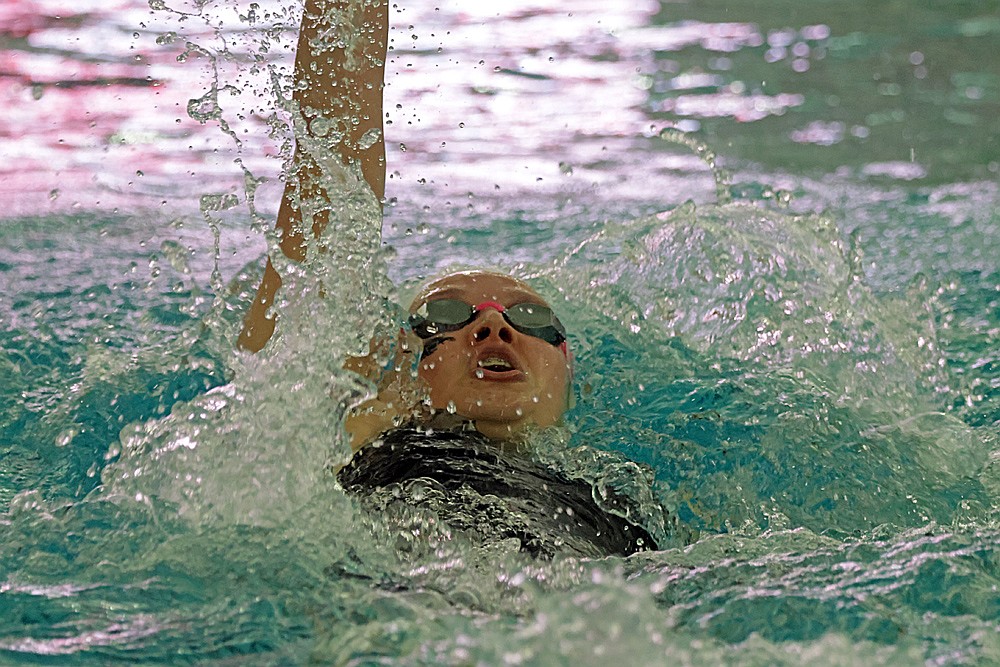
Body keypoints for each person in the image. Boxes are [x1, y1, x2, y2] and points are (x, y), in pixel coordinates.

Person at [238, 0, 674, 557]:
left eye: (530, 317)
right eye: (446, 315)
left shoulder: (621, 504)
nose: (494, 326)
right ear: (389, 366)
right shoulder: (323, 441)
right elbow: (331, 161)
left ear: (569, 377)